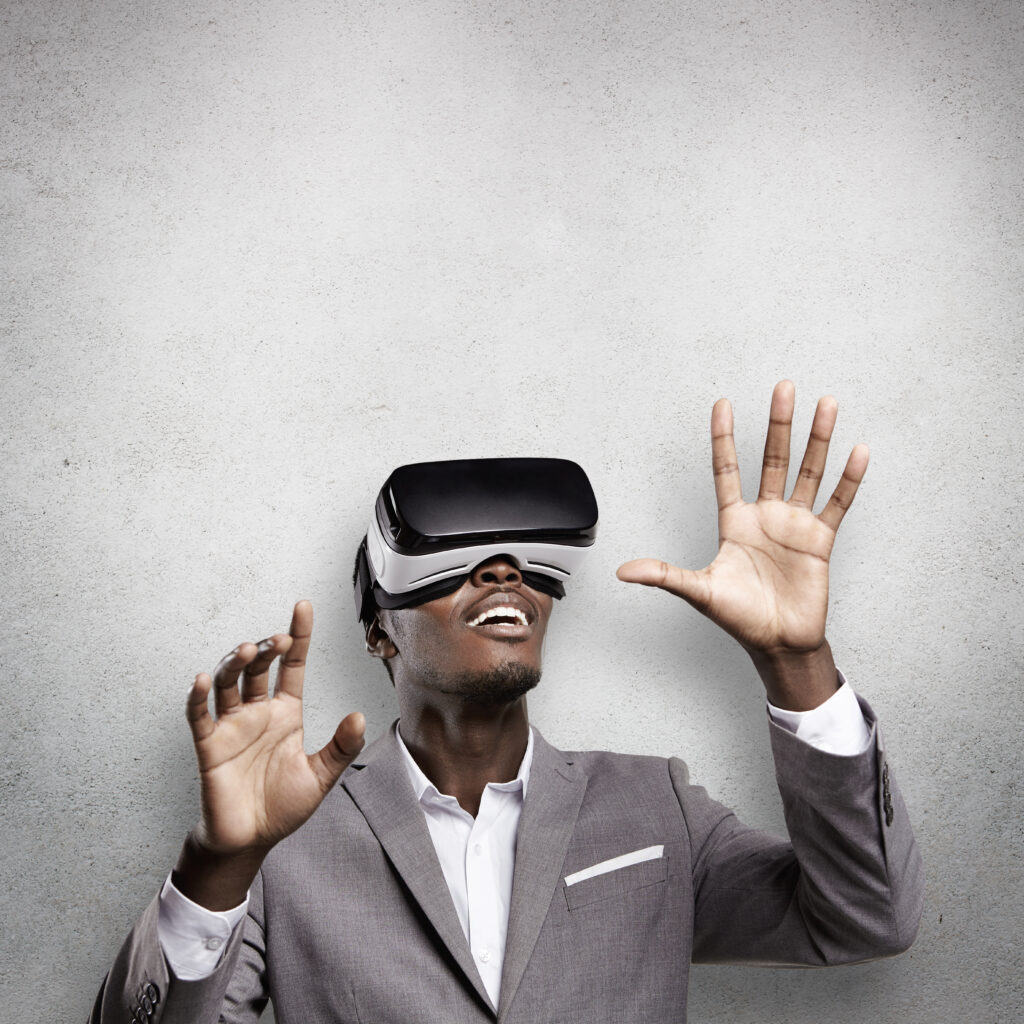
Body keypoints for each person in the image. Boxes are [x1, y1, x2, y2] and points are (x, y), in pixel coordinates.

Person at [90, 381, 923, 1024]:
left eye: (522, 562)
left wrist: (797, 658)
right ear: (380, 635)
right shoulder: (289, 848)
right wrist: (218, 866)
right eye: (459, 562)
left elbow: (865, 920)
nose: (501, 570)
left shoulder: (655, 809)